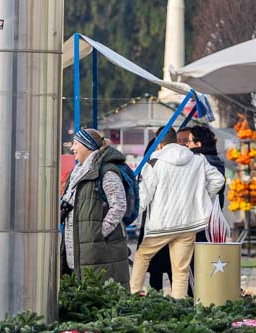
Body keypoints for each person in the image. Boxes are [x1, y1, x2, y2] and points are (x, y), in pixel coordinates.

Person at [132, 127, 224, 299]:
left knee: (142, 257)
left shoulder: (154, 162)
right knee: (181, 269)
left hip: (161, 224)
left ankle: (134, 294)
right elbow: (218, 180)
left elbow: (144, 196)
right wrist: (202, 198)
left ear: (159, 143)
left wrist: (133, 217)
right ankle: (178, 304)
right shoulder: (198, 159)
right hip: (189, 224)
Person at [60, 129, 130, 285]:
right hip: (79, 252)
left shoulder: (106, 172)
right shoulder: (77, 173)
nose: (72, 148)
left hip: (97, 251)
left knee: (99, 294)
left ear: (87, 145)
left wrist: (97, 234)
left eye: (76, 144)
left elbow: (119, 205)